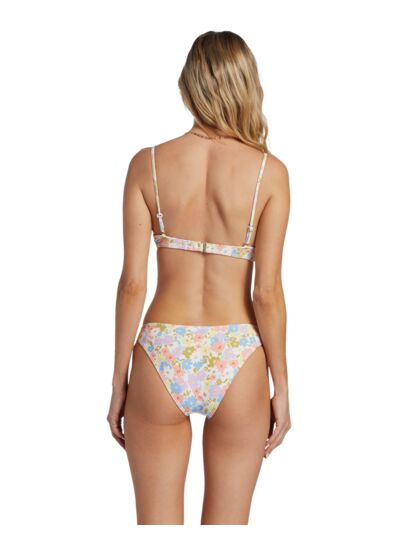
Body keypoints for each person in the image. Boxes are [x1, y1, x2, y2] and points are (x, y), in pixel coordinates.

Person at [107, 30, 291, 525]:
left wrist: (119, 382)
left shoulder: (147, 165)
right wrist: (281, 386)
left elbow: (132, 285)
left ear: (190, 83)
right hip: (238, 353)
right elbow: (267, 293)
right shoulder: (269, 174)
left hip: (160, 351)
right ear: (247, 84)